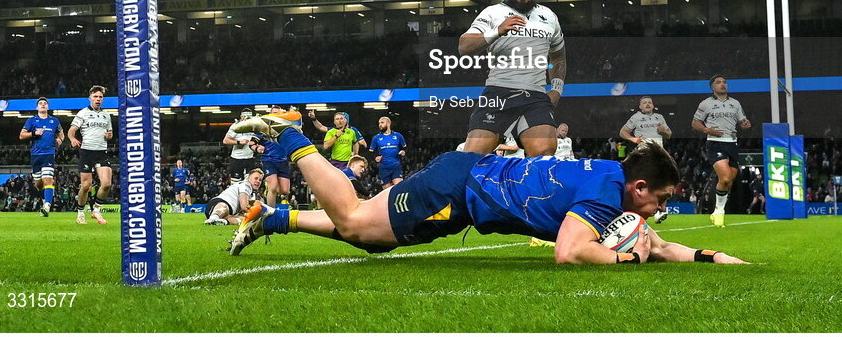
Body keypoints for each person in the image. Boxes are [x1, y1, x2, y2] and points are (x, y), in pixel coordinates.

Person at [228, 114, 747, 265]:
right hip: (460, 187)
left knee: (369, 238)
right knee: (355, 219)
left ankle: (275, 218)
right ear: (638, 187)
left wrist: (708, 256)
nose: (658, 211)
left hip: (468, 197)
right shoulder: (604, 197)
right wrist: (623, 260)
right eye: (658, 200)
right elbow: (569, 253)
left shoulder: (613, 186)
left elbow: (653, 245)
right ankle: (292, 134)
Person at [457, 0, 567, 157]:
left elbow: (558, 57)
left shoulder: (549, 17)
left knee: (544, 154)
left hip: (535, 96)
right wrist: (497, 31)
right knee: (472, 157)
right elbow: (464, 47)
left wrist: (557, 88)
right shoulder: (492, 13)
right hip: (498, 93)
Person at [692, 74, 752, 228]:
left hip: (732, 144)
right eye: (718, 82)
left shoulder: (735, 103)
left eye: (724, 82)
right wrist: (706, 129)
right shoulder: (706, 104)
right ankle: (719, 211)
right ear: (712, 87)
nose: (722, 84)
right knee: (724, 178)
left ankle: (718, 211)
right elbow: (695, 122)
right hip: (715, 143)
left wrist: (745, 124)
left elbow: (742, 121)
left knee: (729, 182)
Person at [68, 85, 113, 225]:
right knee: (86, 186)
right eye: (95, 97)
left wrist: (109, 135)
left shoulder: (106, 115)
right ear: (90, 98)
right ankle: (81, 212)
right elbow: (71, 130)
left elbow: (109, 134)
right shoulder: (82, 113)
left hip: (101, 152)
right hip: (87, 151)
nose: (98, 99)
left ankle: (96, 210)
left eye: (100, 97)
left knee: (106, 184)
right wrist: (72, 139)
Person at [19, 97, 64, 217]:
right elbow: (22, 135)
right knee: (38, 183)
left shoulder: (54, 121)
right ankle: (44, 199)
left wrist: (60, 139)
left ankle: (47, 206)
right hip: (35, 155)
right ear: (37, 107)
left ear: (48, 107)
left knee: (48, 179)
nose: (43, 105)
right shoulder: (31, 121)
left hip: (49, 154)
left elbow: (61, 133)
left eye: (45, 103)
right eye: (40, 103)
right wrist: (34, 133)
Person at [252, 106, 294, 205]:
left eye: (278, 113)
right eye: (274, 113)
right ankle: (271, 212)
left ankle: (270, 190)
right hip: (268, 159)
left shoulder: (285, 128)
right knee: (273, 187)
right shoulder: (263, 127)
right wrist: (257, 148)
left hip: (283, 161)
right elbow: (251, 143)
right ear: (270, 114)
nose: (275, 115)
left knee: (285, 191)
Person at [368, 116, 407, 189]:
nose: (380, 125)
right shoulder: (376, 138)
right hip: (383, 167)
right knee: (387, 191)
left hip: (396, 166)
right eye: (379, 123)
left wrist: (403, 151)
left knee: (399, 188)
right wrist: (375, 157)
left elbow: (405, 147)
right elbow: (371, 152)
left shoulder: (398, 136)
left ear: (388, 124)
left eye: (382, 123)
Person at [224, 109, 261, 183]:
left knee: (250, 182)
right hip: (237, 159)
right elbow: (225, 140)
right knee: (236, 183)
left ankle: (248, 194)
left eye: (249, 118)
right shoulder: (236, 126)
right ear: (241, 117)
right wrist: (239, 142)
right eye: (245, 117)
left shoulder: (253, 127)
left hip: (249, 158)